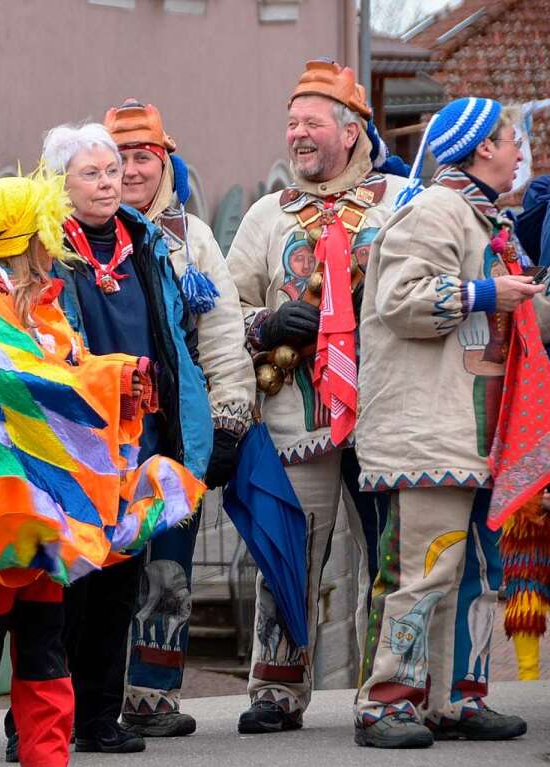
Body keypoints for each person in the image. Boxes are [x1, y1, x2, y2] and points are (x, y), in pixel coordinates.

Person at [0, 170, 204, 767]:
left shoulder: (41, 309)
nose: (54, 248)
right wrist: (108, 379)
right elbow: (26, 382)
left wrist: (118, 375)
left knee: (45, 645)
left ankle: (48, 758)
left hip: (43, 509)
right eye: (46, 237)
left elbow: (68, 367)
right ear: (25, 241)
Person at [3, 122, 212, 755]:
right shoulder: (39, 249)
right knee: (61, 589)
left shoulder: (142, 241)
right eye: (91, 173)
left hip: (137, 439)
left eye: (114, 172)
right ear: (57, 183)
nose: (107, 183)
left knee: (120, 583)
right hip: (66, 445)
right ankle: (35, 727)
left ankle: (96, 716)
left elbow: (172, 336)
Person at [354, 97, 545, 747]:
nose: (519, 147)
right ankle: (386, 700)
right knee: (425, 566)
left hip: (480, 433)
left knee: (477, 570)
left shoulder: (486, 218)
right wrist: (489, 292)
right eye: (508, 137)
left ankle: (458, 697)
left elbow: (519, 321)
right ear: (479, 148)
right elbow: (400, 301)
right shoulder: (434, 209)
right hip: (429, 427)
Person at [226, 59, 409, 734]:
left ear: (352, 130)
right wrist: (265, 324)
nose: (296, 134)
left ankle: (385, 694)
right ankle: (276, 688)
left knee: (386, 554)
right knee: (287, 549)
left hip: (384, 410)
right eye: (290, 123)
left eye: (311, 122)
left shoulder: (399, 202)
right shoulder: (265, 216)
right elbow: (227, 307)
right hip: (293, 414)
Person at [103, 98, 256, 737]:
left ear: (166, 162)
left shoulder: (189, 238)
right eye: (120, 158)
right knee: (104, 566)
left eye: (144, 157)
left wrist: (228, 418)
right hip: (101, 434)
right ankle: (92, 697)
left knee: (168, 564)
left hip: (171, 430)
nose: (132, 170)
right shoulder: (73, 230)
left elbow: (221, 330)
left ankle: (151, 698)